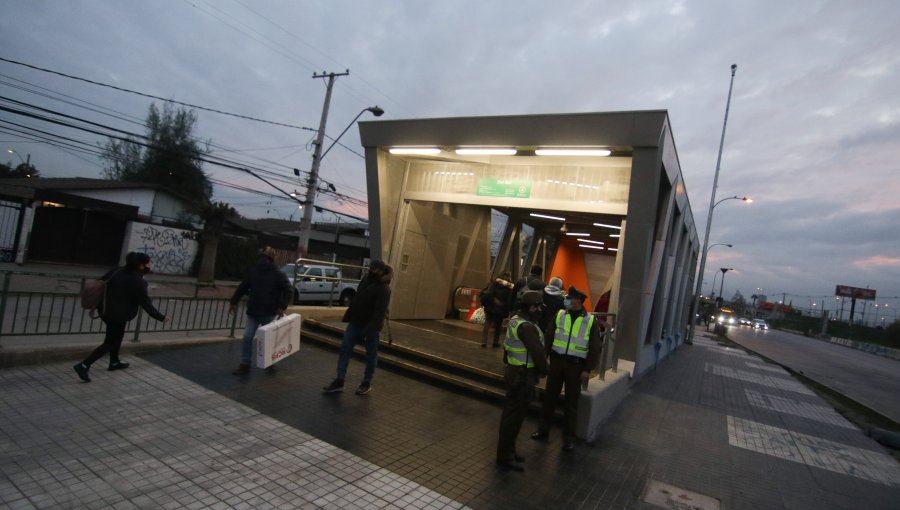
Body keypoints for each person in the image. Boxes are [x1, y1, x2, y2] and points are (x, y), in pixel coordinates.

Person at [73, 252, 169, 382]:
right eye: (148, 263)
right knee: (110, 342)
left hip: (105, 311)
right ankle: (84, 365)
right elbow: (147, 304)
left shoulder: (116, 271)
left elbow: (102, 282)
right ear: (141, 266)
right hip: (118, 315)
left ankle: (114, 362)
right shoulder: (138, 282)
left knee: (117, 337)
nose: (150, 265)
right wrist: (161, 317)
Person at [531, 286, 603, 451]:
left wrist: (587, 369)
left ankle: (568, 438)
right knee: (549, 398)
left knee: (571, 403)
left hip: (575, 367)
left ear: (578, 301)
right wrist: (544, 359)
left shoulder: (590, 321)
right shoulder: (560, 315)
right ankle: (543, 431)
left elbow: (594, 347)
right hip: (557, 363)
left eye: (569, 298)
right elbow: (549, 337)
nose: (567, 300)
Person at [496, 291, 548, 472]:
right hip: (522, 377)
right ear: (532, 307)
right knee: (514, 417)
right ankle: (505, 456)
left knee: (512, 415)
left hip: (515, 373)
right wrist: (544, 370)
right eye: (539, 306)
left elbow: (507, 349)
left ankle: (509, 450)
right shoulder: (526, 327)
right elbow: (538, 353)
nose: (540, 310)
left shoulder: (517, 320)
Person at [323, 260, 393, 396]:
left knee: (371, 355)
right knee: (345, 348)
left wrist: (368, 331)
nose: (370, 270)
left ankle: (366, 382)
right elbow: (358, 298)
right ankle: (339, 380)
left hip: (371, 328)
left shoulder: (384, 289)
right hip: (355, 322)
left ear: (380, 270)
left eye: (374, 269)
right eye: (370, 267)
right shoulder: (366, 279)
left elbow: (379, 313)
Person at [229, 246, 293, 375]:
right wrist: (282, 306)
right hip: (263, 312)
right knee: (259, 339)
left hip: (261, 312)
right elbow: (288, 289)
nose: (262, 261)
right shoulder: (275, 273)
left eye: (264, 258)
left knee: (249, 337)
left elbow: (243, 286)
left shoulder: (264, 272)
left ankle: (249, 364)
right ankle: (259, 363)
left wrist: (233, 301)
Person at [480, 272, 514, 348]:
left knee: (487, 323)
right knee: (498, 326)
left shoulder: (494, 283)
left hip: (490, 307)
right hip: (500, 309)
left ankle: (484, 341)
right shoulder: (509, 288)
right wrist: (507, 309)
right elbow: (509, 300)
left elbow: (488, 294)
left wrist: (491, 301)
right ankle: (495, 342)